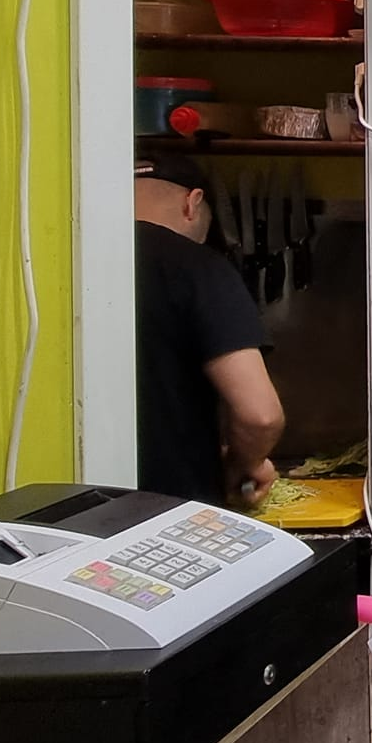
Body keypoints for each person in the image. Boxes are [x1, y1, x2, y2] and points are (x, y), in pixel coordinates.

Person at [134, 152, 284, 509]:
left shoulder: (73, 261)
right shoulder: (197, 266)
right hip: (175, 510)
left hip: (86, 507)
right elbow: (260, 416)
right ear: (193, 203)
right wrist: (245, 465)